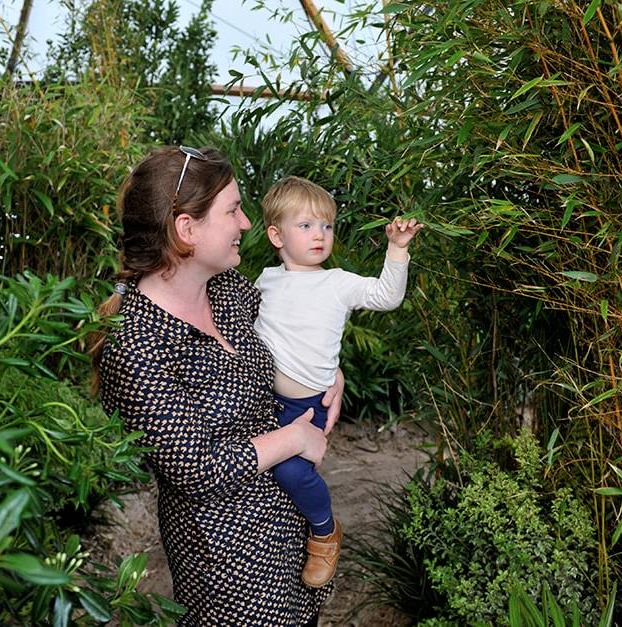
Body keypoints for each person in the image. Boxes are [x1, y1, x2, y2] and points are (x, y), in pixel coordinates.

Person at [90, 147, 344, 626]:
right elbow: (196, 468)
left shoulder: (227, 290)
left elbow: (296, 328)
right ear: (187, 230)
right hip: (230, 565)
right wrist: (292, 438)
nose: (246, 224)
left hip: (292, 533)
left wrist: (332, 371)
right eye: (232, 210)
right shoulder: (137, 343)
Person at [253, 175, 423, 588]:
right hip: (264, 402)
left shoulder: (337, 282)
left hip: (308, 405)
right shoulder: (264, 281)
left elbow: (387, 296)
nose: (319, 235)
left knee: (292, 474)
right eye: (306, 226)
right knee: (264, 483)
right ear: (276, 235)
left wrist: (397, 249)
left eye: (326, 226)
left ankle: (325, 532)